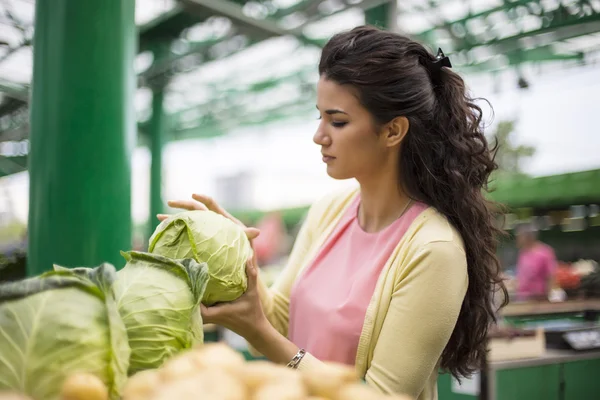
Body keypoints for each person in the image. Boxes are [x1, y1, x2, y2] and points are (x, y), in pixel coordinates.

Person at [159, 25, 507, 400]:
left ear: (393, 131)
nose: (319, 135)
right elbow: (278, 322)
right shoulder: (330, 210)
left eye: (337, 121)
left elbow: (381, 397)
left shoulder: (434, 250)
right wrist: (234, 248)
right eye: (319, 116)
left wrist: (260, 332)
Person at [514, 222, 557, 301]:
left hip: (538, 298)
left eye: (519, 236)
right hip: (522, 297)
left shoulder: (545, 252)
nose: (518, 239)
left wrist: (548, 297)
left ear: (528, 236)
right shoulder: (523, 252)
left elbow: (551, 276)